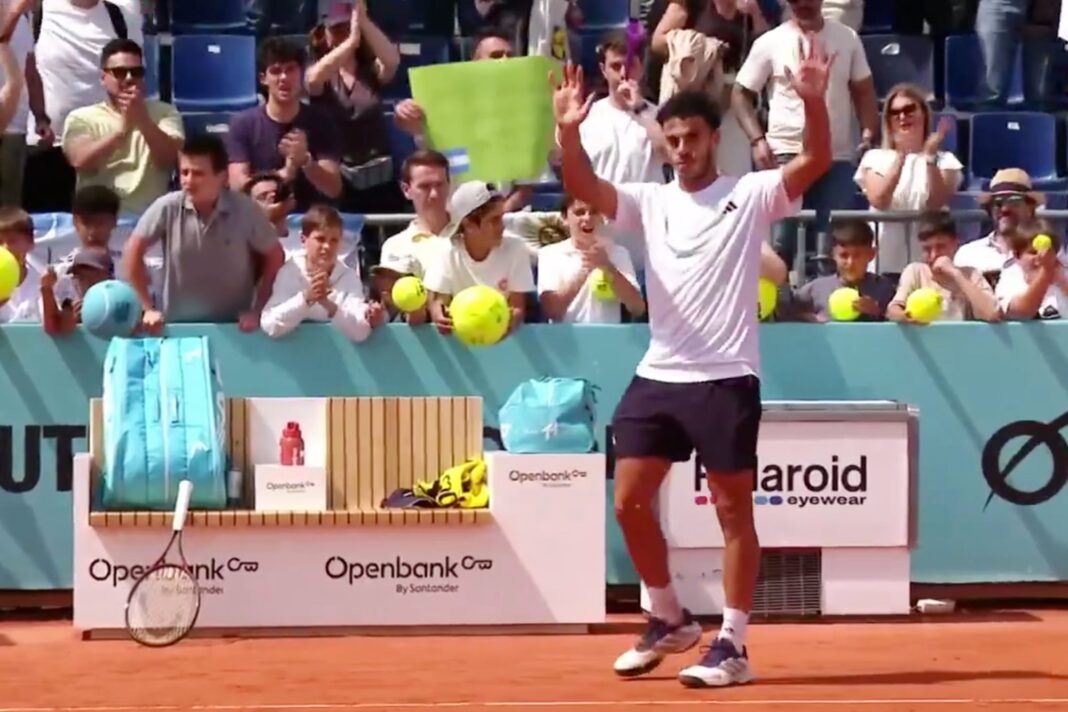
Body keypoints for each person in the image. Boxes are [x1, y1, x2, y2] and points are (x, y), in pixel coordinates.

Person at [553, 32, 834, 686]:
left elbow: (817, 158)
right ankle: (671, 617)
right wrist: (568, 131)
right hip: (660, 375)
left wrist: (815, 102)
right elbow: (581, 183)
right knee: (627, 502)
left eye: (692, 138)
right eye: (671, 140)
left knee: (735, 514)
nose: (681, 149)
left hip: (727, 377)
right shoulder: (648, 203)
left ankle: (732, 644)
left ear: (714, 139)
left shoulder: (750, 195)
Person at [122, 135, 285, 332]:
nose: (188, 181)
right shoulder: (167, 207)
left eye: (198, 173)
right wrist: (147, 308)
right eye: (184, 172)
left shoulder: (245, 209)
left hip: (236, 330)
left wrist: (259, 309)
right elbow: (132, 252)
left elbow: (275, 257)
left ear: (222, 177)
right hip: (176, 328)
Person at [61, 38, 184, 214]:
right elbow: (81, 162)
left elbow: (169, 160)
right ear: (103, 78)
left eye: (136, 72)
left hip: (150, 218)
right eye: (119, 72)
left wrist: (143, 121)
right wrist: (122, 130)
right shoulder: (81, 117)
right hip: (99, 220)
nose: (129, 78)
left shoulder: (165, 113)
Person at [854, 83, 962, 275]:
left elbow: (936, 202)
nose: (902, 117)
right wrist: (901, 159)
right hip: (885, 263)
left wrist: (929, 158)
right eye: (895, 113)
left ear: (924, 114)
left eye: (909, 109)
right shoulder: (874, 158)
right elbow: (880, 199)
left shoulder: (945, 160)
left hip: (929, 265)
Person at [227, 37, 344, 212]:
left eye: (290, 70)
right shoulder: (242, 125)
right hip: (259, 222)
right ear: (263, 78)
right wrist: (282, 176)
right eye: (275, 71)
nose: (283, 77)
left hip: (310, 223)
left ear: (301, 73)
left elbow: (334, 188)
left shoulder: (321, 121)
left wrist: (306, 162)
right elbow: (237, 186)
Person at [423, 180, 534, 337]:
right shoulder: (445, 250)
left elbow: (517, 307)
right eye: (494, 220)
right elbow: (437, 303)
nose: (502, 226)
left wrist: (503, 326)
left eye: (501, 218)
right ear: (468, 224)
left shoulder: (516, 248)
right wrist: (440, 317)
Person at [261, 204, 386, 341]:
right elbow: (270, 325)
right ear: (303, 239)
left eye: (334, 240)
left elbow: (360, 333)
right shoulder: (290, 272)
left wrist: (327, 304)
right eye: (320, 239)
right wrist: (306, 298)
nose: (327, 247)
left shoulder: (348, 276)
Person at [537, 194, 645, 323]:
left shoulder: (618, 253)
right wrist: (585, 269)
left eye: (594, 212)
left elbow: (637, 308)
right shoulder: (549, 254)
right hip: (565, 339)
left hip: (607, 338)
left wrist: (608, 268)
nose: (587, 218)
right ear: (565, 218)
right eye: (579, 213)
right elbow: (552, 311)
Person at [887, 213, 1001, 324]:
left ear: (955, 244)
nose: (933, 255)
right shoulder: (915, 272)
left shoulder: (971, 275)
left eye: (941, 247)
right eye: (927, 249)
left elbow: (992, 313)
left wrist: (955, 274)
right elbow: (893, 309)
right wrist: (905, 317)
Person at [788, 219, 896, 322]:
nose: (850, 263)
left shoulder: (884, 289)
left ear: (871, 254)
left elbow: (898, 328)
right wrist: (811, 320)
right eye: (844, 255)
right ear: (833, 255)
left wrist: (877, 312)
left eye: (857, 255)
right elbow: (788, 318)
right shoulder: (814, 290)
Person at [0, 205, 40, 322]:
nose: (5, 248)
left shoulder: (42, 285)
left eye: (12, 241)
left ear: (30, 243)